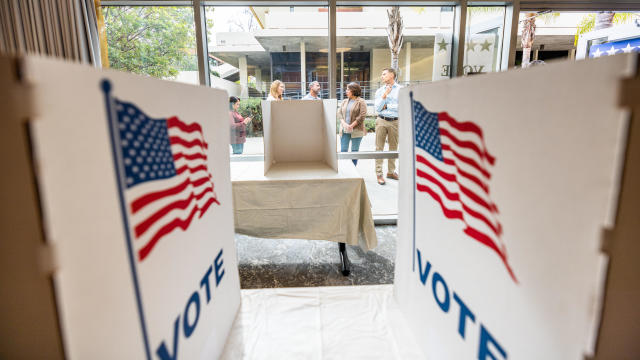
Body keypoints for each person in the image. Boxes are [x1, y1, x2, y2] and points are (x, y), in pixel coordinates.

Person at [373, 67, 401, 185]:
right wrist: (385, 95)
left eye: (384, 74)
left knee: (393, 148)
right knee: (379, 148)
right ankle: (379, 174)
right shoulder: (380, 91)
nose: (382, 76)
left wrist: (388, 106)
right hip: (381, 120)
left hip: (395, 121)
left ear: (392, 75)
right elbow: (377, 108)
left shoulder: (401, 90)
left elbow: (402, 106)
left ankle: (391, 172)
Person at [338, 82, 367, 166]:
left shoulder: (361, 102)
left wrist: (351, 125)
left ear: (353, 90)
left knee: (354, 151)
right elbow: (339, 113)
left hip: (357, 130)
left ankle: (353, 169)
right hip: (344, 130)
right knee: (343, 150)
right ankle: (344, 169)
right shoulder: (344, 101)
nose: (346, 91)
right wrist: (344, 124)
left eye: (348, 89)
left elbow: (362, 115)